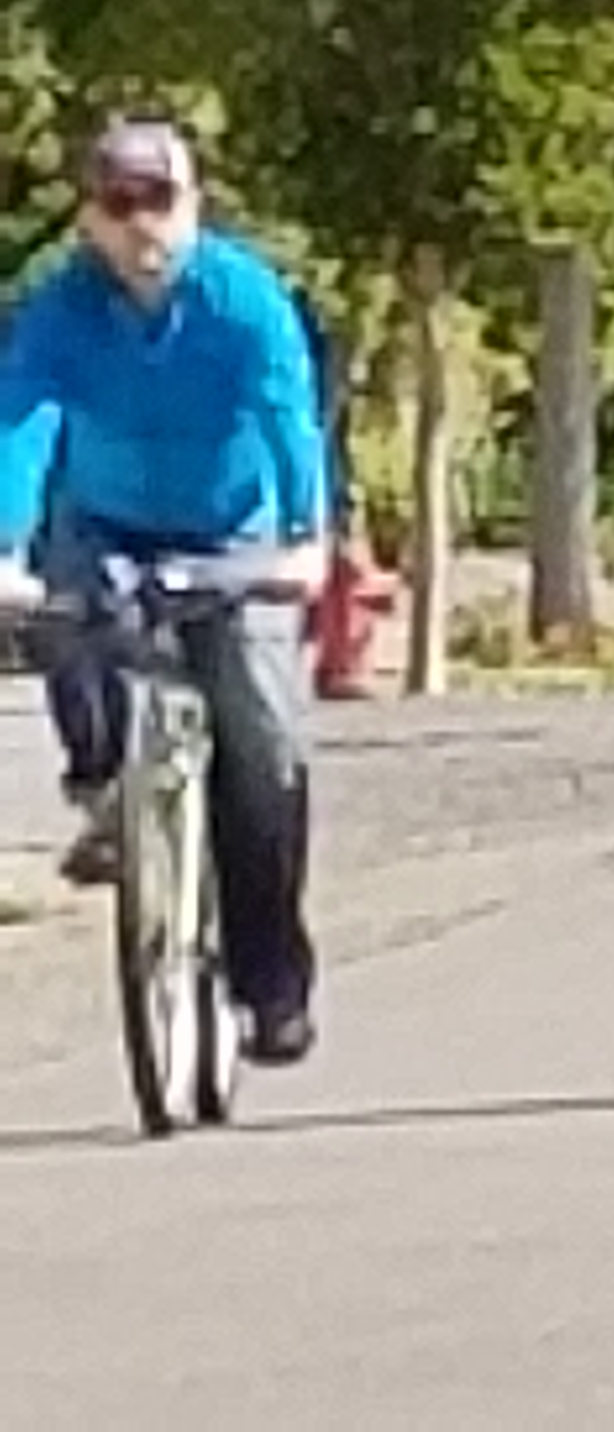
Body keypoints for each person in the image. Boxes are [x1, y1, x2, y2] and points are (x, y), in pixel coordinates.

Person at [0, 122, 333, 1063]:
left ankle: (271, 986)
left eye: (160, 201)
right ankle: (105, 788)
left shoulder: (243, 299)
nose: (141, 224)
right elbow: (21, 420)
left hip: (233, 535)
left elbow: (286, 415)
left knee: (261, 751)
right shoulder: (61, 308)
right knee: (62, 619)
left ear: (194, 206)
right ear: (90, 218)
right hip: (106, 524)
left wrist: (306, 541)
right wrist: (5, 544)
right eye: (120, 204)